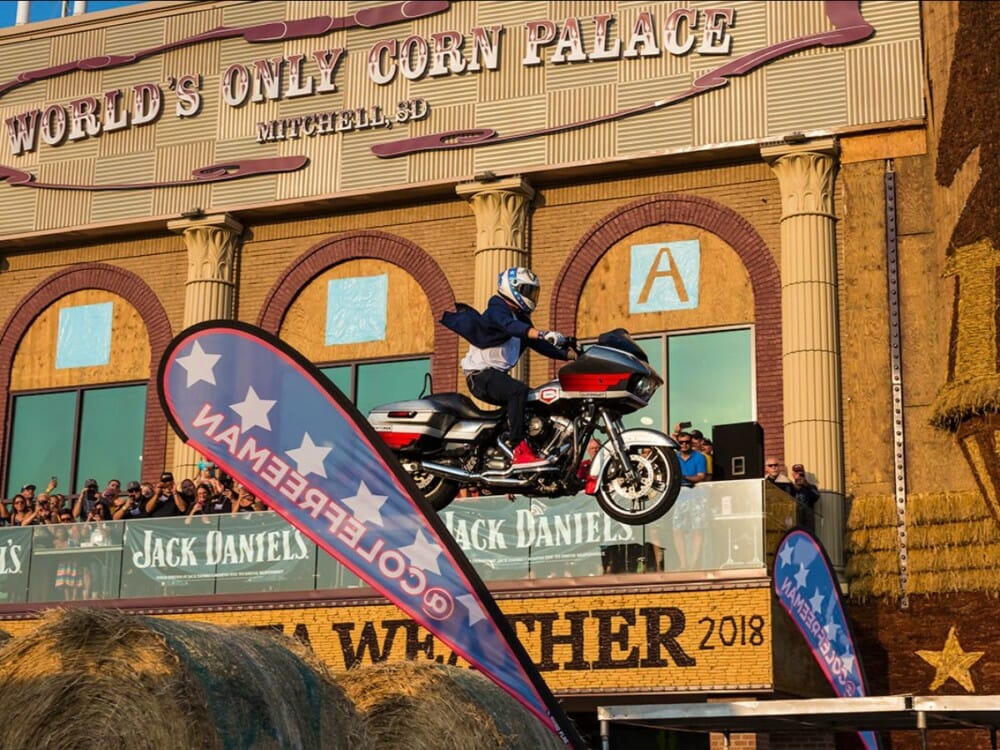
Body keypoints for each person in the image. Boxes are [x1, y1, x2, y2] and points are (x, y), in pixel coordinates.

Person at [441, 266, 572, 467]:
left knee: (534, 399)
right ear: (512, 288)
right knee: (518, 391)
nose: (531, 296)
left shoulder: (521, 319)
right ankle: (519, 448)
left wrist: (573, 355)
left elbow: (542, 346)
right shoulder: (497, 308)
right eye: (527, 291)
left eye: (533, 292)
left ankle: (519, 446)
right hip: (480, 376)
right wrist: (541, 333)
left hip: (494, 376)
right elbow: (508, 326)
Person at [672, 432, 709, 570]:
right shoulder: (674, 458)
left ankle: (694, 563)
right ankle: (683, 563)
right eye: (681, 442)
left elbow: (700, 477)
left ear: (691, 442)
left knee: (697, 529)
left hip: (696, 493)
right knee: (677, 529)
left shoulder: (699, 457)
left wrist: (683, 477)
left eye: (687, 442)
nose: (684, 445)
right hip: (679, 494)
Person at [790, 463, 821, 533]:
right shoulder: (790, 487)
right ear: (793, 475)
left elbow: (816, 497)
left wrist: (806, 485)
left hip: (807, 523)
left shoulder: (810, 487)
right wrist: (795, 487)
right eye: (797, 473)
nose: (799, 475)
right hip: (795, 520)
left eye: (801, 473)